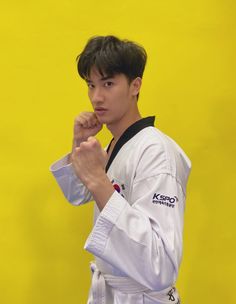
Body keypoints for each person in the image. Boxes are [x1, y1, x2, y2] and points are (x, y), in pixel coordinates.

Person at [50, 35, 191, 304]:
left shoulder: (155, 151)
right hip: (111, 292)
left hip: (141, 297)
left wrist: (98, 180)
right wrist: (79, 145)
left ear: (135, 85)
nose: (96, 97)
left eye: (108, 84)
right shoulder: (116, 144)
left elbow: (159, 266)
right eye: (91, 85)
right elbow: (78, 195)